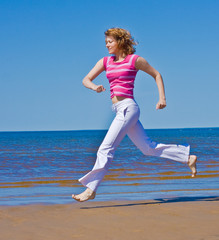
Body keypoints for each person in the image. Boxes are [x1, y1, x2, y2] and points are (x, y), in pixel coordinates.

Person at [72, 28, 197, 202]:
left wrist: (162, 98)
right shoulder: (106, 61)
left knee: (105, 149)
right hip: (120, 109)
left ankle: (91, 188)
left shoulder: (134, 60)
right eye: (106, 42)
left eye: (110, 41)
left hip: (128, 108)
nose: (107, 45)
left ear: (120, 41)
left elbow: (157, 75)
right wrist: (95, 87)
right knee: (147, 148)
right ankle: (187, 157)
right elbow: (86, 79)